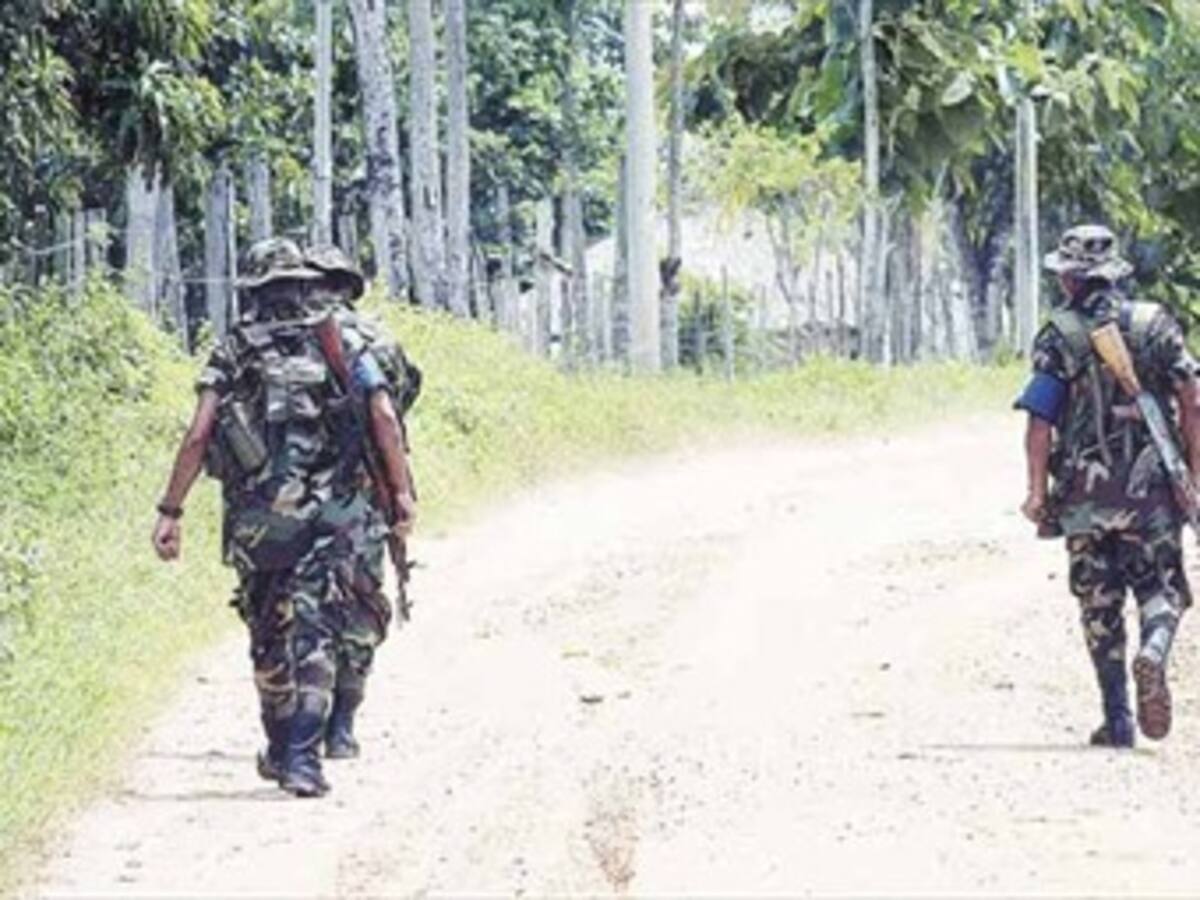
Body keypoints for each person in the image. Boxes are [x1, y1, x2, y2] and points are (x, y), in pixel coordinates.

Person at [151, 238, 415, 796]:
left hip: (258, 521)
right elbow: (386, 418)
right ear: (303, 285)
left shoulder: (234, 348)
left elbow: (198, 434)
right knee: (315, 629)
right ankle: (303, 758)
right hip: (333, 514)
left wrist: (170, 509)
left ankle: (281, 745)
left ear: (253, 292)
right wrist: (401, 493)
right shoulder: (342, 341)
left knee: (270, 628)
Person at [1016, 224, 1200, 747]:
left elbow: (1038, 420)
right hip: (1153, 494)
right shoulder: (1156, 324)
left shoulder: (1060, 334)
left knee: (1099, 602)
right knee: (1161, 590)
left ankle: (1118, 720)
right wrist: (1193, 474)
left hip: (1082, 497)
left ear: (1071, 280)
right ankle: (1155, 652)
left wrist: (1035, 493)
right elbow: (1193, 401)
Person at [302, 244, 422, 760]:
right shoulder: (379, 342)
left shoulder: (279, 338)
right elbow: (394, 414)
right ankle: (342, 724)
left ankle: (303, 722)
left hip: (289, 496)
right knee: (361, 602)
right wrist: (401, 491)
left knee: (299, 607)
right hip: (360, 492)